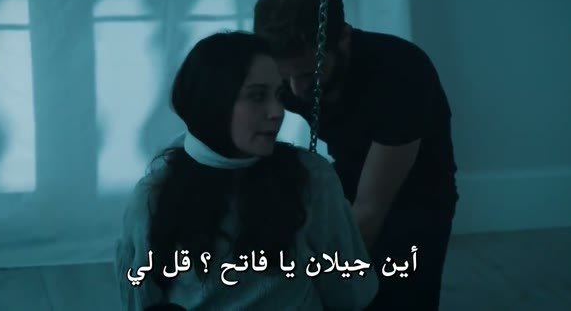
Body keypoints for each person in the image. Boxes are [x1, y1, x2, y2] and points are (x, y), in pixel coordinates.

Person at [115, 31, 378, 310]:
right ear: (214, 101)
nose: (277, 111)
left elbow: (350, 294)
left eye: (279, 95)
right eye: (257, 96)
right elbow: (143, 302)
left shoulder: (311, 178)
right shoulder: (154, 196)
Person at [253, 0, 459, 311]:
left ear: (344, 36)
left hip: (419, 196)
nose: (296, 90)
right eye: (285, 75)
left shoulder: (400, 72)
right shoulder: (279, 73)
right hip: (346, 177)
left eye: (308, 74)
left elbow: (369, 210)